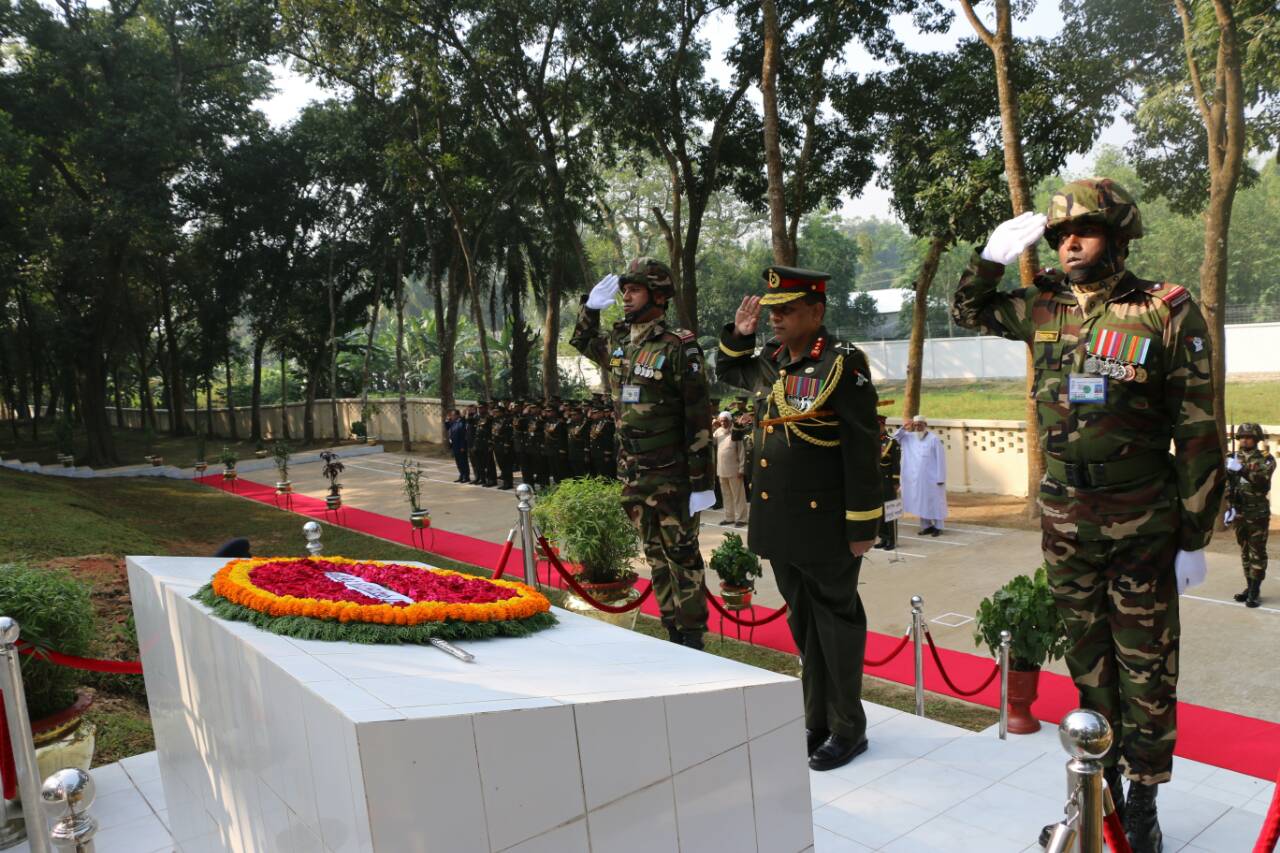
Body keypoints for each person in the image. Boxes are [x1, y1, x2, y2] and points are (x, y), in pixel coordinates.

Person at [952, 178, 1225, 853]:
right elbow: (968, 308)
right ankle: (1094, 780)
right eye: (1060, 235)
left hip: (1141, 523)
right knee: (1088, 660)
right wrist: (989, 258)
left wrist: (1194, 535)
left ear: (1121, 236)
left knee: (1148, 667)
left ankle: (1145, 799)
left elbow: (1197, 433)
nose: (1070, 243)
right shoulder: (1043, 307)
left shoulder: (1166, 312)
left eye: (1087, 230)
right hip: (1067, 521)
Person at [717, 265, 882, 772]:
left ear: (816, 310)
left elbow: (861, 446)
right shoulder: (773, 361)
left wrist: (862, 526)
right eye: (772, 312)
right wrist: (737, 338)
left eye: (786, 310)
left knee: (836, 625)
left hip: (826, 524)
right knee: (804, 623)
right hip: (783, 521)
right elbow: (730, 374)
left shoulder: (841, 364)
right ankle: (817, 720)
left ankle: (848, 728)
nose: (775, 319)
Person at [570, 258, 714, 648]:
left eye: (633, 290)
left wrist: (702, 483)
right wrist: (590, 309)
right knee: (654, 557)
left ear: (658, 295)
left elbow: (698, 418)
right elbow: (583, 341)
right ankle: (671, 629)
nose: (626, 298)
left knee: (683, 559)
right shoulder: (619, 342)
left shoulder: (679, 346)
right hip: (633, 475)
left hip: (672, 477)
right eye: (624, 291)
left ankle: (693, 637)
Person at [1226, 422, 1274, 607]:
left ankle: (1255, 590)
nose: (1245, 440)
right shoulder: (1232, 457)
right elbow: (1228, 484)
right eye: (1242, 437)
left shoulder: (1266, 459)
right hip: (1239, 512)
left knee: (1257, 551)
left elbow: (1262, 483)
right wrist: (1228, 506)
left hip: (1257, 512)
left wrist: (1242, 469)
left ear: (1256, 439)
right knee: (1244, 551)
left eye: (1249, 437)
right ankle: (1249, 586)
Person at [897, 415, 947, 536]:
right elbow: (895, 438)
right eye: (915, 425)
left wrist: (941, 478)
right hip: (917, 480)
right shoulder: (909, 437)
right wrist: (904, 427)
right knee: (922, 502)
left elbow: (941, 459)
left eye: (920, 424)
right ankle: (926, 526)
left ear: (925, 425)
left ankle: (938, 527)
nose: (918, 427)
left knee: (935, 502)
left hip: (932, 479)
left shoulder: (933, 439)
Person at [713, 412, 747, 526]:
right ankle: (729, 517)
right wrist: (712, 426)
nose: (723, 423)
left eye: (725, 420)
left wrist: (741, 469)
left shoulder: (736, 432)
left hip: (735, 470)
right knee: (726, 495)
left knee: (738, 496)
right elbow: (710, 441)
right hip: (722, 470)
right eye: (721, 421)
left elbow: (742, 452)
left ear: (730, 420)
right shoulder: (717, 432)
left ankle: (742, 519)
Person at [876, 415, 901, 550]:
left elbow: (896, 464)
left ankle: (892, 539)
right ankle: (883, 537)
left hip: (887, 481)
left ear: (883, 425)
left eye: (878, 426)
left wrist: (895, 481)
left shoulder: (892, 442)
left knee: (889, 510)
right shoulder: (873, 441)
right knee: (879, 511)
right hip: (876, 482)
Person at [589, 399, 616, 479]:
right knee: (598, 474)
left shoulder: (607, 424)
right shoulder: (594, 423)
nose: (593, 415)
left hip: (603, 453)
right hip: (595, 453)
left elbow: (608, 439)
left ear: (601, 413)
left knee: (606, 475)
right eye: (593, 413)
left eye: (595, 413)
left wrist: (607, 454)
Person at [493, 402, 516, 490]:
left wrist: (507, 445)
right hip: (497, 444)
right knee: (501, 465)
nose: (495, 413)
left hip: (504, 445)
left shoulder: (507, 420)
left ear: (502, 412)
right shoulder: (495, 420)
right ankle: (505, 482)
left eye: (497, 411)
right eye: (495, 411)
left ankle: (508, 483)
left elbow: (508, 434)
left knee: (507, 465)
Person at [567, 404, 592, 479]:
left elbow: (586, 440)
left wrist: (586, 454)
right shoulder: (570, 424)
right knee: (575, 473)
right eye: (571, 415)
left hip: (581, 454)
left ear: (580, 415)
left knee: (583, 473)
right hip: (572, 453)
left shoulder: (584, 425)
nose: (572, 416)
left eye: (575, 415)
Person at [446, 409, 470, 483]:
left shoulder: (461, 422)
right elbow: (447, 427)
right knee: (458, 462)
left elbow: (463, 436)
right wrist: (447, 419)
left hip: (461, 446)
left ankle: (466, 477)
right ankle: (461, 475)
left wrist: (463, 446)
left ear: (457, 415)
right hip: (455, 445)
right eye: (452, 415)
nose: (452, 416)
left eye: (453, 415)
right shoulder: (453, 423)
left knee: (463, 462)